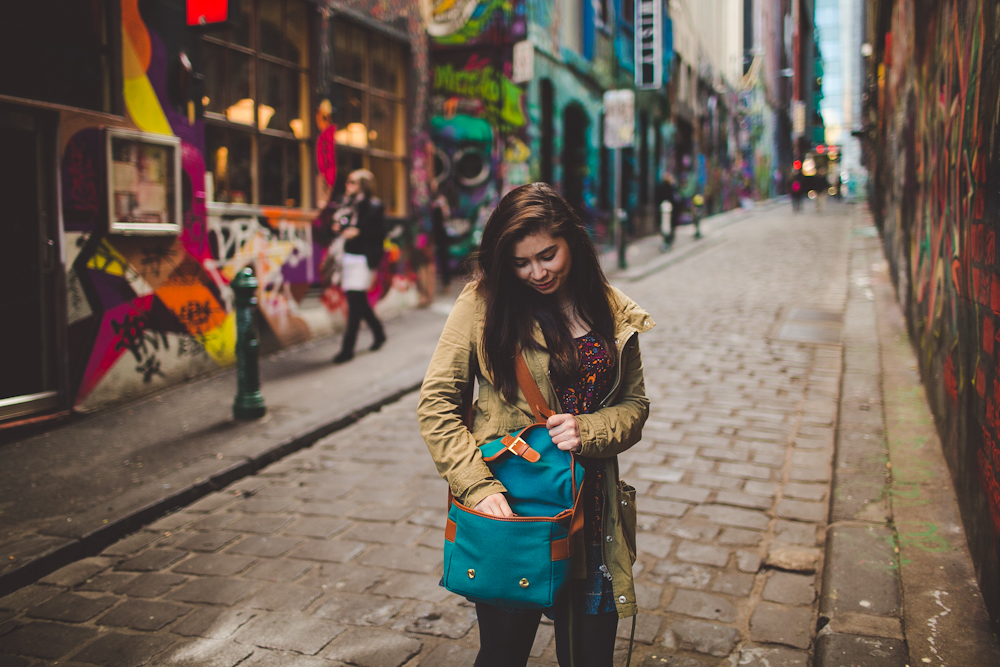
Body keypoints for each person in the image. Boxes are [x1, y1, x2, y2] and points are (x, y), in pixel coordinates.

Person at [417, 183, 654, 667]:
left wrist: (590, 429)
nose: (538, 272)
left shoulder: (609, 308)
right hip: (516, 511)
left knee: (590, 659)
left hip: (593, 516)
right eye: (521, 263)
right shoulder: (481, 304)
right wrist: (476, 487)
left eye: (548, 254)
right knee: (503, 655)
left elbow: (634, 405)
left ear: (573, 241)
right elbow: (437, 405)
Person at [332, 169, 386, 364]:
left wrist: (355, 232)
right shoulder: (346, 205)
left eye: (352, 182)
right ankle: (379, 333)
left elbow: (375, 234)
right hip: (348, 257)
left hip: (363, 259)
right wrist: (345, 229)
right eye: (347, 181)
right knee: (358, 301)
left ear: (363, 185)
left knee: (354, 304)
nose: (348, 185)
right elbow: (342, 227)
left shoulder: (373, 206)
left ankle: (347, 349)